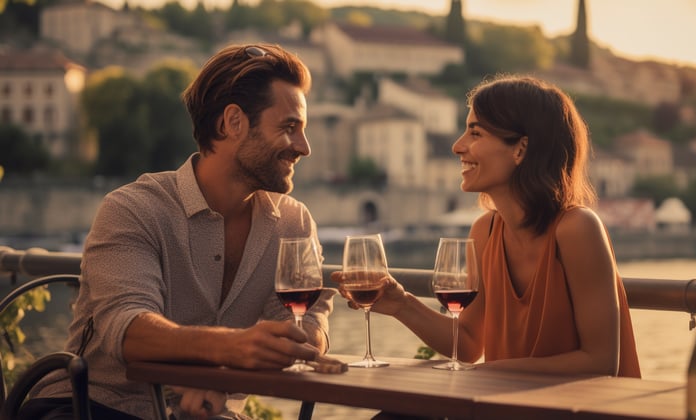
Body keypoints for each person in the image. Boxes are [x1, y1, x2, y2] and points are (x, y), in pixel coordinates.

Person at [22, 43, 336, 419]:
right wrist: (229, 350)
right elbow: (129, 330)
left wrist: (226, 373)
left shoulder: (294, 222)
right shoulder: (134, 209)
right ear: (232, 122)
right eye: (289, 128)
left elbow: (307, 324)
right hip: (93, 406)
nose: (304, 147)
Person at [334, 75, 640, 378]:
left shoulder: (577, 228)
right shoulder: (485, 231)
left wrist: (488, 373)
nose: (457, 146)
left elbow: (600, 362)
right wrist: (402, 305)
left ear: (520, 149)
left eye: (475, 133)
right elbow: (467, 343)